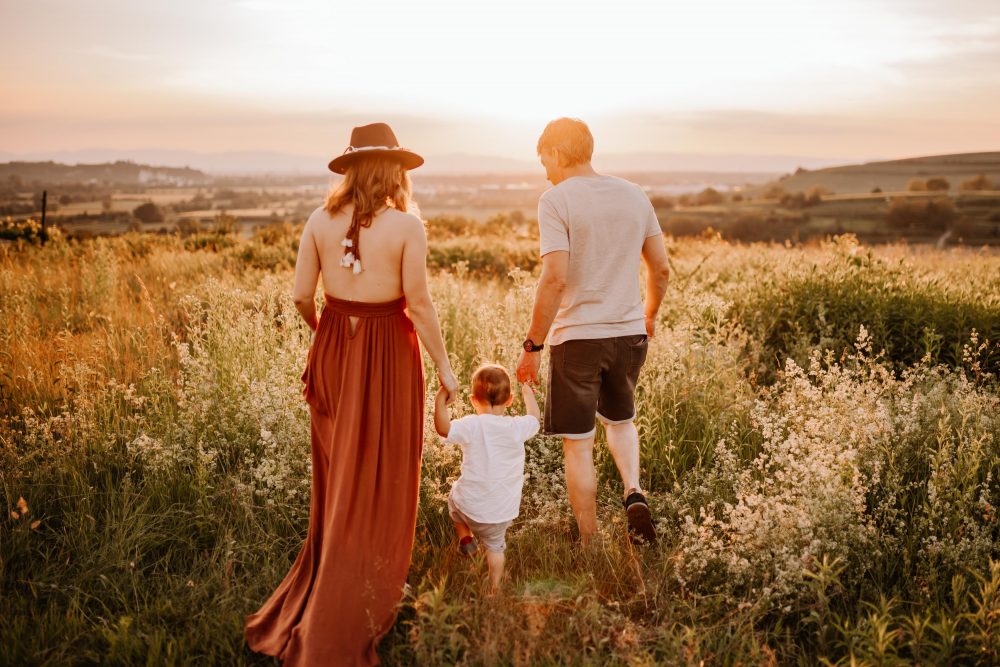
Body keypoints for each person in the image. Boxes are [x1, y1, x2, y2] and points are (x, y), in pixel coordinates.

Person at [245, 122, 459, 666]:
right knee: (384, 468)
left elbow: (299, 296)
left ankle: (330, 576)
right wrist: (445, 368)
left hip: (335, 346)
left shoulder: (319, 220)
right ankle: (363, 585)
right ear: (393, 171)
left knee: (339, 469)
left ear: (350, 169)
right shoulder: (408, 228)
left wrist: (328, 333)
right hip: (388, 349)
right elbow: (420, 304)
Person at [515, 117, 670, 547]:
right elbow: (661, 267)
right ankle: (633, 491)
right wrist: (650, 315)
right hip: (628, 332)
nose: (543, 168)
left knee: (578, 443)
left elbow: (554, 279)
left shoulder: (555, 200)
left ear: (558, 153)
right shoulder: (634, 195)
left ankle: (590, 540)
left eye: (543, 157)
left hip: (577, 339)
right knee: (621, 422)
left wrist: (532, 346)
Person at [433, 364, 540, 593]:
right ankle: (494, 589)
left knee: (453, 502)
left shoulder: (471, 425)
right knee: (495, 548)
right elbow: (535, 418)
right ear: (509, 400)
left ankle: (466, 540)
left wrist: (440, 400)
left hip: (468, 505)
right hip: (499, 513)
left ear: (473, 400)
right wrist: (527, 392)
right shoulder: (516, 427)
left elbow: (443, 429)